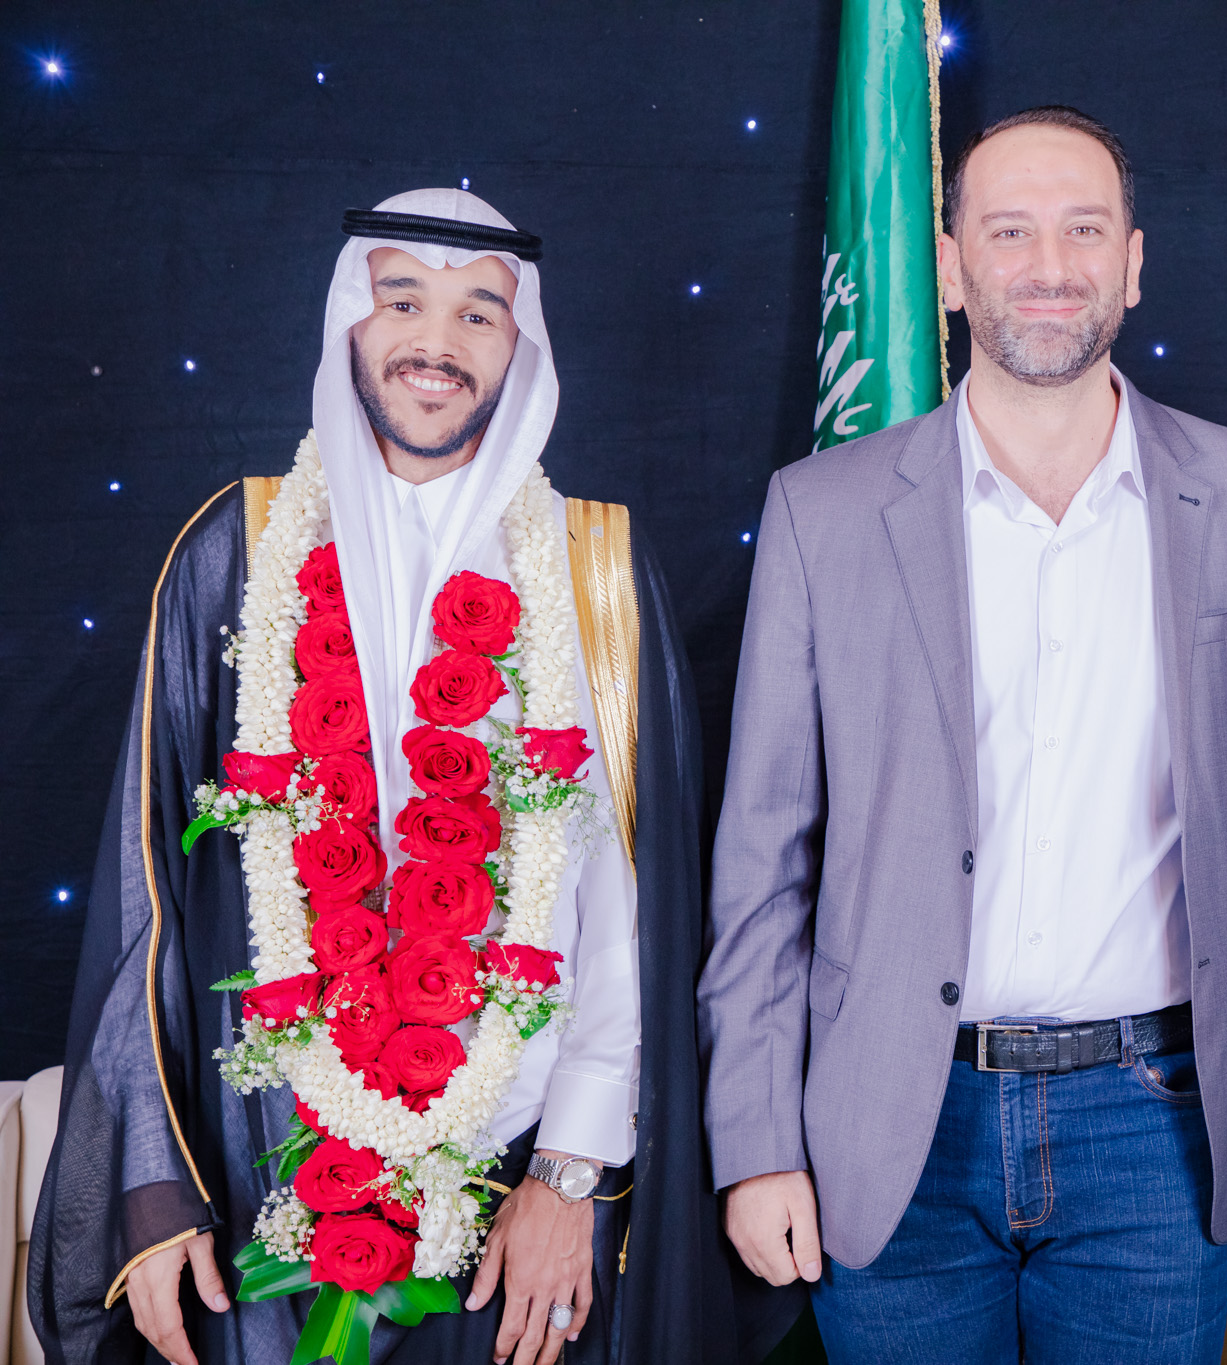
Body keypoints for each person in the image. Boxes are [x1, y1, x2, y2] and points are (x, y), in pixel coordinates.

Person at [28, 189, 788, 1365]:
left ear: (519, 345)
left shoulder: (591, 570)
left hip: (520, 1198)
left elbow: (628, 913)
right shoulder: (235, 552)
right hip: (263, 1170)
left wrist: (571, 1174)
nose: (437, 341)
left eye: (478, 312)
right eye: (403, 302)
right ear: (350, 319)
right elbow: (148, 902)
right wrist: (153, 1185)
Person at [702, 106, 1227, 1363]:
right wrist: (755, 1141)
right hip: (891, 1119)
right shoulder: (821, 513)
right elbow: (763, 857)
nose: (1049, 265)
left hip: (1157, 1125)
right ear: (949, 267)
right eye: (1008, 231)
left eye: (1083, 230)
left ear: (1132, 263)